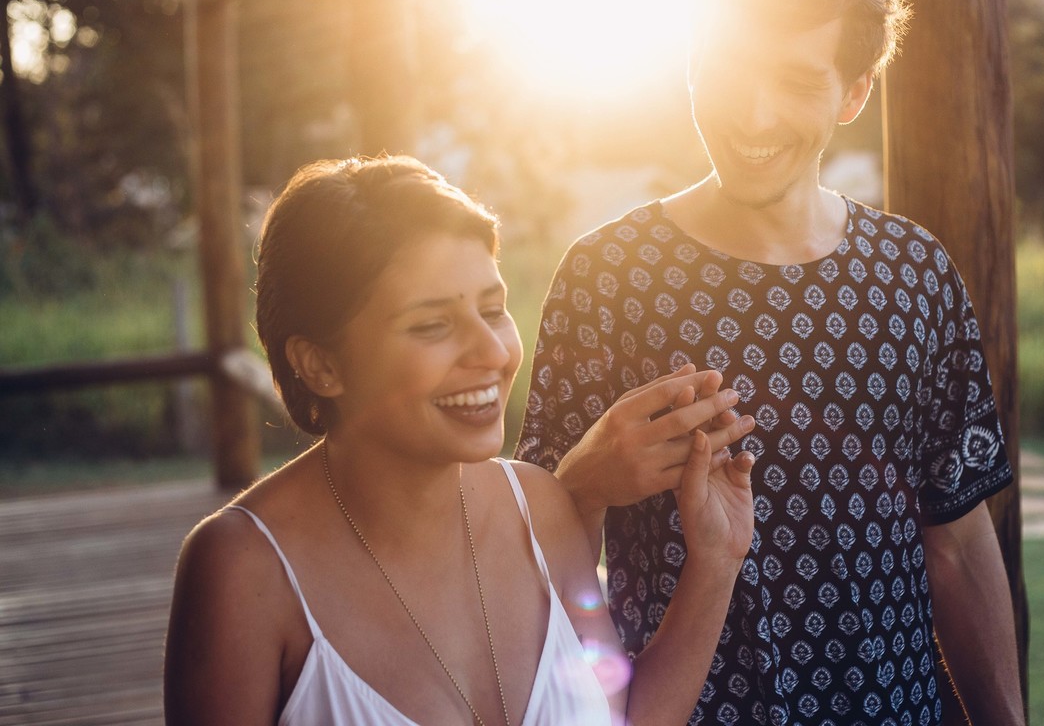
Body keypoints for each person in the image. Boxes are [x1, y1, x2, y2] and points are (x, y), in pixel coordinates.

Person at [515, 0, 1025, 724]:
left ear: (853, 92)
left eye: (793, 79)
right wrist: (583, 477)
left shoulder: (916, 272)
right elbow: (539, 549)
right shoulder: (605, 276)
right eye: (728, 69)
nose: (753, 112)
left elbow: (957, 540)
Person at [162, 154, 758, 725]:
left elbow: (624, 720)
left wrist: (715, 563)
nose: (494, 353)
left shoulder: (541, 508)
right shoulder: (243, 571)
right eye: (432, 325)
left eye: (494, 310)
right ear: (321, 366)